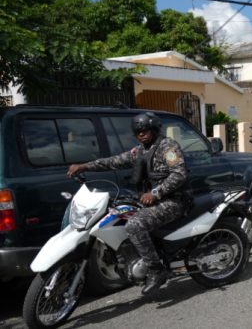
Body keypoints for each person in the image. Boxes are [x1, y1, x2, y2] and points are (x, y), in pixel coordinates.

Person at [67, 112, 191, 295]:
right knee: (117, 214)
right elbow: (113, 162)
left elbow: (179, 174)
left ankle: (156, 271)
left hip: (173, 200)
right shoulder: (140, 151)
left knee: (134, 225)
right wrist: (84, 166)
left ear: (154, 129)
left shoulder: (168, 147)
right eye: (138, 132)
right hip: (151, 201)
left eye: (145, 130)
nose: (141, 134)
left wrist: (155, 193)